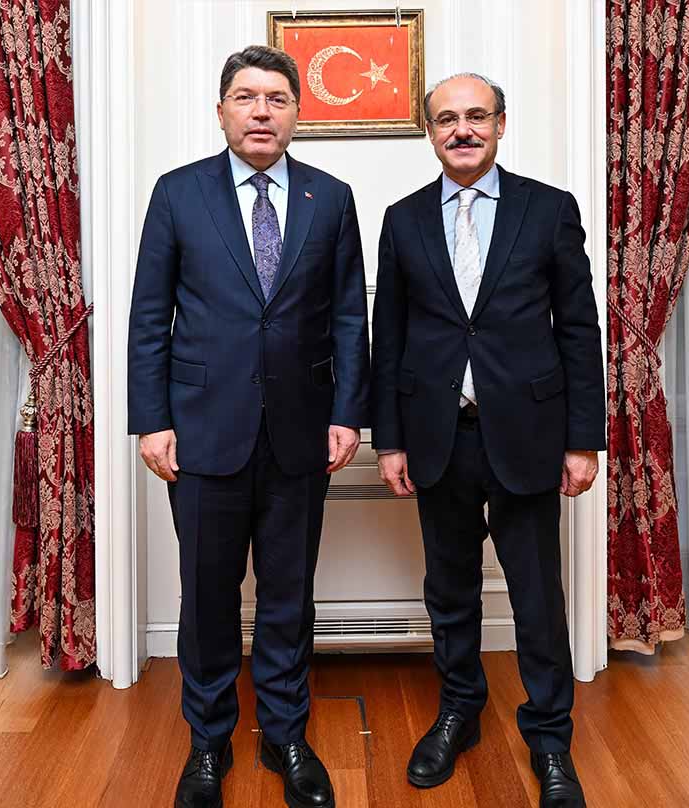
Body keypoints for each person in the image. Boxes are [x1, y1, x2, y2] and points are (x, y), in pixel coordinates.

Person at [127, 44, 370, 808]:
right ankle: (208, 744)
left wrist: (348, 413)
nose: (261, 111)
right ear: (221, 110)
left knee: (289, 596)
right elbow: (149, 317)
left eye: (276, 98)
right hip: (202, 432)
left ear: (298, 112)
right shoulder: (178, 193)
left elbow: (348, 316)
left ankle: (286, 735)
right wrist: (152, 420)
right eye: (246, 97)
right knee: (207, 598)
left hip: (303, 432)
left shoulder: (331, 199)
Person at [371, 72, 605, 808]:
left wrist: (583, 439)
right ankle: (459, 712)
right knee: (449, 591)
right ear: (429, 132)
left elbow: (578, 329)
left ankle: (550, 739)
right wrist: (389, 441)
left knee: (536, 597)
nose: (462, 130)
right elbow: (389, 337)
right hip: (437, 438)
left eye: (477, 116)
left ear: (502, 124)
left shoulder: (549, 210)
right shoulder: (403, 219)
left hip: (529, 435)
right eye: (446, 119)